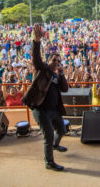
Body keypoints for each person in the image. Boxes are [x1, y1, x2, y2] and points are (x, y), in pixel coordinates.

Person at [22, 24, 69, 171]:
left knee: (61, 130)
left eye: (58, 61)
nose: (56, 62)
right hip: (41, 110)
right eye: (53, 60)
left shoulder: (56, 75)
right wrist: (36, 41)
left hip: (54, 110)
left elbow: (65, 89)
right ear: (48, 61)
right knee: (48, 136)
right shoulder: (42, 70)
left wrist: (61, 74)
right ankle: (49, 162)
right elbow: (36, 58)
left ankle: (55, 145)